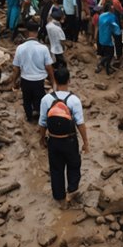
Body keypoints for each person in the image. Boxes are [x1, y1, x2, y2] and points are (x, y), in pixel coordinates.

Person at [39, 67, 89, 204]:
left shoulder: (46, 99)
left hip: (53, 140)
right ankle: (71, 192)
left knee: (56, 169)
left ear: (54, 80)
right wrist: (85, 142)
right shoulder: (74, 100)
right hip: (70, 140)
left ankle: (59, 196)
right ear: (69, 80)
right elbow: (80, 123)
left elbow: (42, 122)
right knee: (74, 165)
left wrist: (42, 139)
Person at [12, 35, 56, 123]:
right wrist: (53, 80)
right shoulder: (43, 48)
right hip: (39, 81)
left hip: (25, 79)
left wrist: (13, 81)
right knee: (39, 99)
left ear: (26, 33)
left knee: (27, 100)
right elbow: (48, 66)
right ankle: (40, 118)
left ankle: (29, 118)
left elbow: (16, 68)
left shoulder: (20, 48)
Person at [96, 2, 121, 75]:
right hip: (108, 39)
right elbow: (116, 28)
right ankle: (102, 63)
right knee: (110, 55)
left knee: (106, 54)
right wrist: (119, 32)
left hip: (101, 38)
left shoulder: (101, 15)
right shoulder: (112, 17)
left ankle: (107, 68)